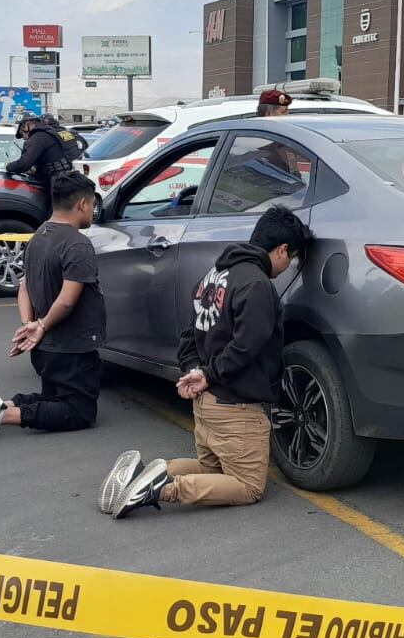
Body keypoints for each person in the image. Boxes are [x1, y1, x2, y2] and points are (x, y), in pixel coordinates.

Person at [99, 207, 312, 519]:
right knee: (248, 485)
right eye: (290, 258)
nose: (287, 266)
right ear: (281, 249)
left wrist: (194, 372)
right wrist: (209, 374)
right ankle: (160, 489)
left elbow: (189, 333)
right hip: (236, 406)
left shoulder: (213, 276)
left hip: (207, 404)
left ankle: (150, 471)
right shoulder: (257, 285)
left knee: (213, 468)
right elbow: (247, 345)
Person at [0, 172, 104, 442]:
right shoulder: (77, 244)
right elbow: (67, 299)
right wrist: (40, 325)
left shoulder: (39, 236)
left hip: (46, 347)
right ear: (82, 205)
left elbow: (24, 288)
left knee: (53, 398)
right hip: (71, 346)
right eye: (92, 204)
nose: (92, 210)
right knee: (79, 410)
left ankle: (2, 404)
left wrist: (28, 324)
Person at [7, 112, 84, 212]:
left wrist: (9, 166)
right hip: (69, 179)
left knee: (56, 217)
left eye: (22, 132)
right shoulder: (50, 132)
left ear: (27, 125)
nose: (24, 137)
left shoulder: (38, 136)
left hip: (58, 183)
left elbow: (24, 163)